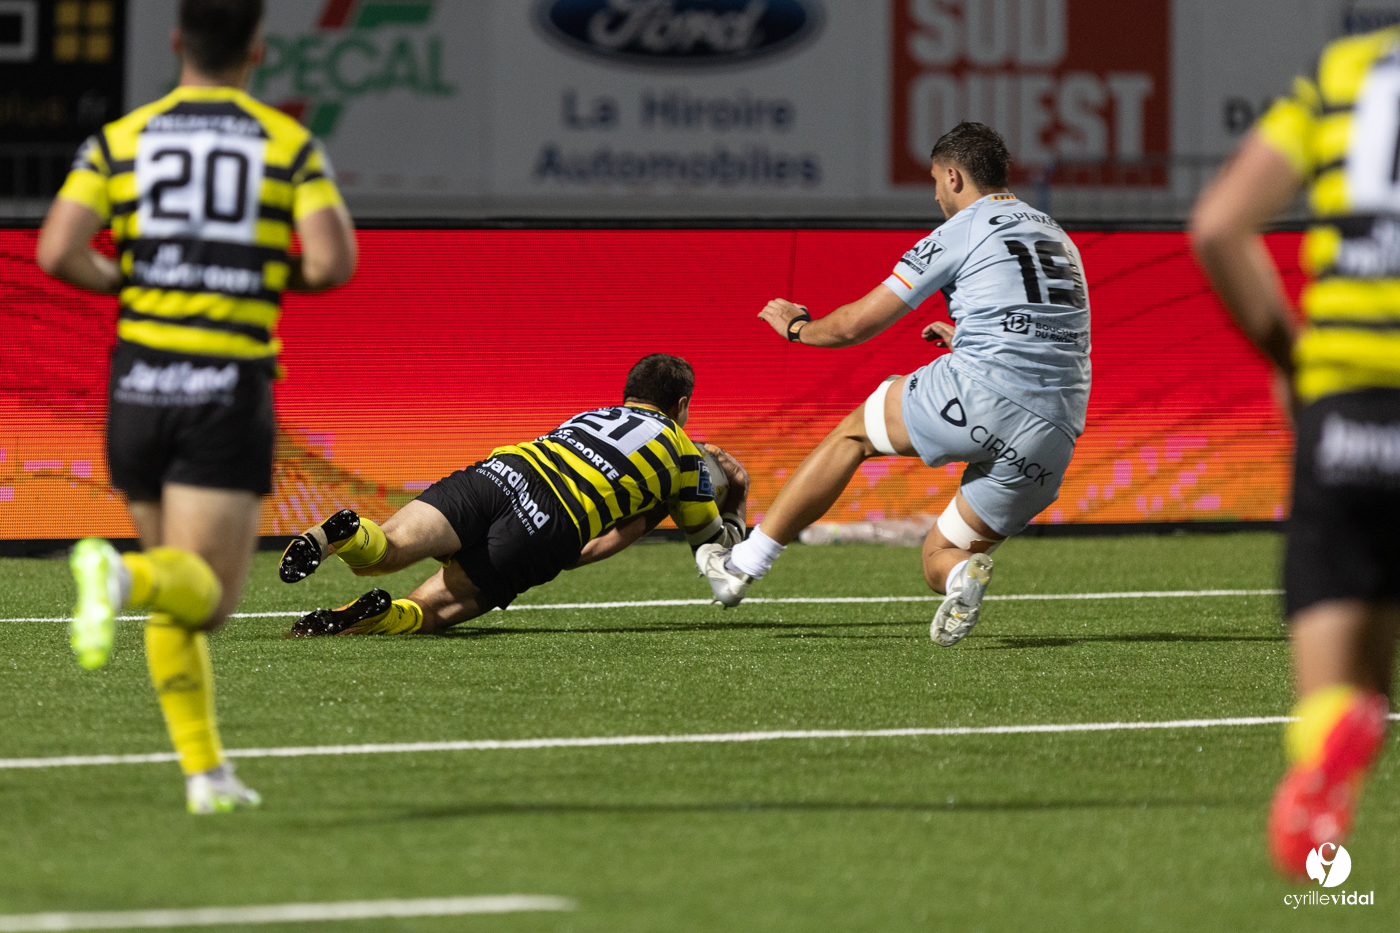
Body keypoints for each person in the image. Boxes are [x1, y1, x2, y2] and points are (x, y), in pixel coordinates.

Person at [34, 0, 357, 813]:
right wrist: (258, 274)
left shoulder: (120, 139)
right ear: (257, 49)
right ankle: (117, 573)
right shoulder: (285, 143)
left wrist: (129, 281)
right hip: (222, 386)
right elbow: (331, 263)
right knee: (205, 597)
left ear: (178, 41)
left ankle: (206, 774)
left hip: (139, 385)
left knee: (176, 589)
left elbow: (56, 249)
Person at [695, 122, 1091, 647]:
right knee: (939, 556)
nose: (934, 195)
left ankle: (741, 565)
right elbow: (1053, 331)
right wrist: (966, 336)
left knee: (853, 435)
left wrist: (797, 328)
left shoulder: (964, 227)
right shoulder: (1057, 234)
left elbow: (855, 325)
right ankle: (961, 577)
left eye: (934, 181)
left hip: (982, 390)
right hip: (1056, 430)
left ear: (953, 177)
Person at [1190, 27, 1400, 879]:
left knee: (1342, 690)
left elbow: (1218, 225)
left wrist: (1290, 361)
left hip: (1345, 408)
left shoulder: (1347, 69)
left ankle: (1328, 751)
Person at [280, 354, 748, 635]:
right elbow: (721, 566)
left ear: (629, 393)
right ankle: (379, 616)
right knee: (428, 611)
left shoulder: (591, 416)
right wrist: (736, 496)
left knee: (385, 550)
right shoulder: (685, 456)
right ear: (682, 404)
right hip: (551, 522)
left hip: (504, 470)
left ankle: (343, 534)